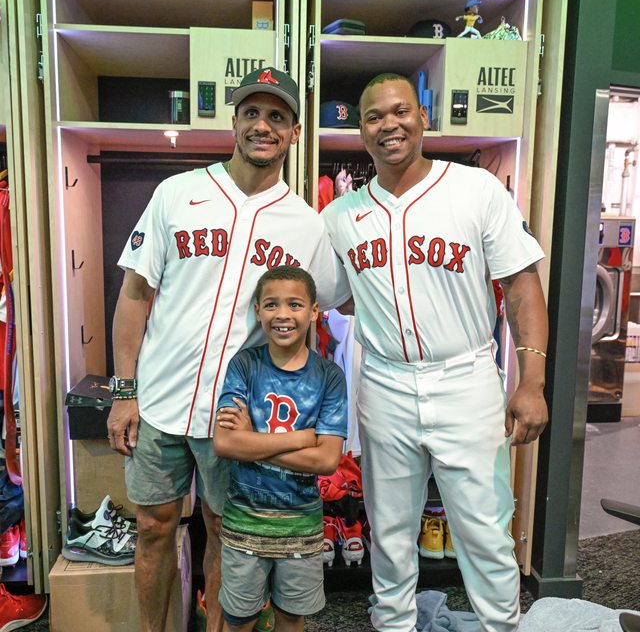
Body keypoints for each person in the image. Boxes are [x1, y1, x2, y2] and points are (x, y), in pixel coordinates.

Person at [106, 67, 350, 632]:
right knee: (154, 528)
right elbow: (134, 295)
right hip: (160, 401)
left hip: (237, 414)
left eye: (277, 116)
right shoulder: (177, 194)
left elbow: (331, 304)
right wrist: (124, 392)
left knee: (225, 533)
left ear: (293, 133)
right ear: (235, 122)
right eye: (252, 113)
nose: (263, 125)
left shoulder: (307, 225)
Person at [321, 72, 549, 632]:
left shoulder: (475, 189)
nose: (389, 125)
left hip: (465, 377)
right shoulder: (339, 215)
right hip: (385, 382)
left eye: (401, 111)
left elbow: (522, 284)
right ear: (361, 133)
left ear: (423, 117)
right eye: (374, 117)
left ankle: (501, 626)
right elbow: (336, 297)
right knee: (390, 530)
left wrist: (531, 381)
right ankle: (393, 624)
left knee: (484, 529)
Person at [213, 266, 348, 632]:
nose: (283, 314)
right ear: (258, 311)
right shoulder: (244, 366)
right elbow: (225, 442)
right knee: (239, 619)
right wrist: (300, 438)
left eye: (295, 304)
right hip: (244, 525)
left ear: (314, 311)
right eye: (271, 304)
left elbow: (326, 459)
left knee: (291, 618)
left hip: (301, 529)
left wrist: (252, 441)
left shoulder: (329, 377)